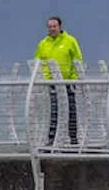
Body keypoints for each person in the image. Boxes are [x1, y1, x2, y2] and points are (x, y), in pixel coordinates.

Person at [34, 16, 83, 146]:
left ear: (60, 27)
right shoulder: (43, 44)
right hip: (50, 83)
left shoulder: (70, 41)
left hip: (67, 82)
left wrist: (74, 79)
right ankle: (51, 138)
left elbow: (77, 60)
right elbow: (38, 62)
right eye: (50, 26)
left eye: (54, 26)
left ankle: (73, 137)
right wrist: (45, 77)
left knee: (71, 110)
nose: (52, 29)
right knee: (53, 110)